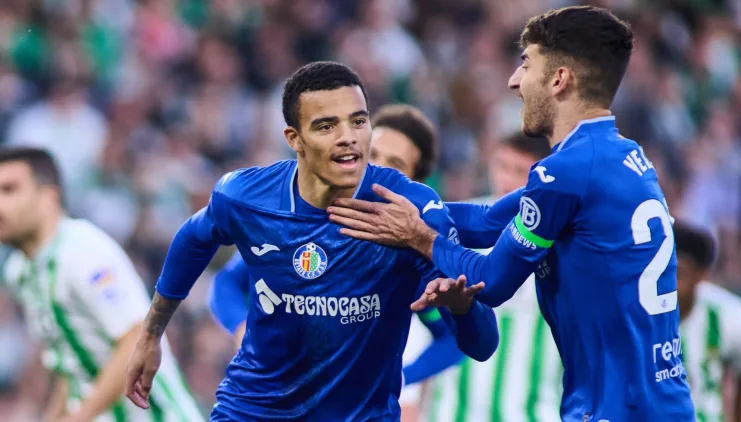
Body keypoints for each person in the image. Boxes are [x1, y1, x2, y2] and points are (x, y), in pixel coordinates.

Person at [327, 6, 696, 420]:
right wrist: (398, 208)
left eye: (526, 64)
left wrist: (419, 237)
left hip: (615, 409)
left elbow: (492, 281)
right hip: (662, 403)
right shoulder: (626, 157)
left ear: (559, 80)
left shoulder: (566, 172)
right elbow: (485, 222)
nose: (514, 81)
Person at [124, 61, 499, 421]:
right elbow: (193, 239)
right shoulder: (246, 197)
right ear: (294, 139)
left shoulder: (413, 214)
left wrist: (462, 308)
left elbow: (481, 346)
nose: (348, 137)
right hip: (251, 411)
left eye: (358, 121)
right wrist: (151, 333)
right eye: (326, 126)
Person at [205, 103, 450, 421]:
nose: (376, 168)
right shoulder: (302, 218)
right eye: (373, 153)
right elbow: (227, 283)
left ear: (415, 183)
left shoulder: (409, 256)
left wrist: (404, 375)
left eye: (396, 164)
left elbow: (452, 335)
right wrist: (243, 328)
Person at [0, 147, 203, 422]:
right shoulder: (21, 271)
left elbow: (134, 339)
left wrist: (80, 417)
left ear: (48, 197)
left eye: (9, 190)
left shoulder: (81, 252)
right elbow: (71, 364)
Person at [405, 132, 563, 422]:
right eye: (502, 166)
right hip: (450, 413)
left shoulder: (561, 244)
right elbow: (427, 323)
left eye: (520, 171)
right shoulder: (459, 228)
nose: (506, 179)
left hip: (532, 414)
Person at [674, 222, 741, 421]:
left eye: (678, 273)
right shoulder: (634, 314)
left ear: (701, 274)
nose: (667, 282)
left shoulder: (730, 316)